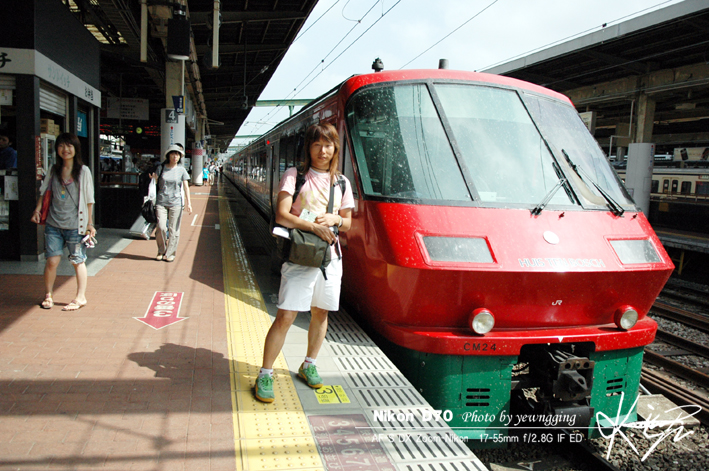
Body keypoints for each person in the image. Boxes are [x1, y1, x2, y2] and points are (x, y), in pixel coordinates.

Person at [255, 123, 354, 403]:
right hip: (300, 256)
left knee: (321, 313)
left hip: (330, 258)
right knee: (286, 316)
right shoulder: (295, 175)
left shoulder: (341, 182)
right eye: (317, 145)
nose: (323, 151)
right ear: (308, 148)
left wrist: (335, 219)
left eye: (328, 145)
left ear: (335, 148)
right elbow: (282, 214)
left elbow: (348, 222)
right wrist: (314, 226)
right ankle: (265, 373)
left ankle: (309, 364)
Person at [30, 133, 96, 311]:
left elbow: (89, 199)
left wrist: (90, 224)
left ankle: (81, 297)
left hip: (75, 225)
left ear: (76, 149)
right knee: (52, 261)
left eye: (69, 146)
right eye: (61, 146)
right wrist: (37, 210)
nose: (65, 149)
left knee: (77, 260)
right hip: (53, 224)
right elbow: (44, 192)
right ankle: (48, 295)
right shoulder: (53, 170)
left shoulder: (83, 171)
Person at [152, 144, 192, 262]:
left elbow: (186, 187)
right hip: (161, 201)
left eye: (178, 154)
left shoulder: (181, 170)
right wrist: (153, 178)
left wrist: (189, 203)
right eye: (173, 154)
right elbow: (155, 182)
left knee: (173, 230)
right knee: (161, 227)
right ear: (168, 155)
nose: (175, 156)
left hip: (176, 203)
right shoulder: (161, 168)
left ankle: (170, 253)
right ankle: (161, 250)